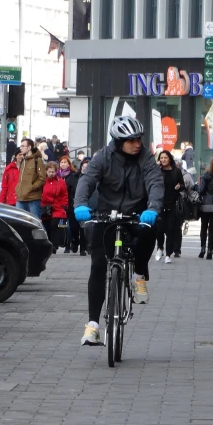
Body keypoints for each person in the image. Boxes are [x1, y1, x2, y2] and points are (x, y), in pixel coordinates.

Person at [74, 116, 163, 346]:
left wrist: (152, 208)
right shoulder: (104, 156)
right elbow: (87, 180)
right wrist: (81, 204)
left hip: (136, 213)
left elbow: (154, 182)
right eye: (131, 140)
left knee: (148, 231)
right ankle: (93, 325)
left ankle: (139, 275)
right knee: (97, 265)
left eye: (139, 139)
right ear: (118, 141)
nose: (137, 144)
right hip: (107, 214)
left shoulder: (146, 157)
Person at [155, 151, 185, 264]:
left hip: (172, 204)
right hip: (160, 204)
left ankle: (168, 254)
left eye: (165, 157)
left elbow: (183, 185)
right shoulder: (157, 171)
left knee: (171, 229)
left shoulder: (176, 171)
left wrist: (179, 186)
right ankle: (160, 248)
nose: (163, 160)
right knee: (159, 229)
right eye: (161, 158)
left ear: (169, 159)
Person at [41, 161, 68, 252]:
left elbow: (64, 194)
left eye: (53, 172)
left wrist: (65, 206)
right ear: (46, 171)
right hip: (45, 207)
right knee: (47, 226)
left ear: (56, 172)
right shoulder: (43, 182)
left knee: (54, 226)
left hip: (57, 207)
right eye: (49, 172)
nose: (51, 174)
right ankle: (49, 244)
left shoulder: (61, 182)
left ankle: (54, 245)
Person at [15, 138, 46, 217]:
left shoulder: (37, 160)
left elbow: (42, 179)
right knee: (19, 223)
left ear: (29, 148)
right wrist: (18, 189)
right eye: (20, 146)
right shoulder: (23, 160)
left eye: (23, 146)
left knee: (35, 223)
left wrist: (31, 187)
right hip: (21, 198)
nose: (20, 148)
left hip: (33, 198)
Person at [57, 156, 80, 253]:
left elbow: (74, 189)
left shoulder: (73, 175)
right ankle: (66, 245)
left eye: (65, 162)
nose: (63, 164)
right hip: (59, 204)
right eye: (61, 162)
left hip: (70, 203)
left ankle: (75, 241)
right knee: (63, 226)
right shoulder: (57, 175)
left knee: (73, 226)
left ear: (68, 164)